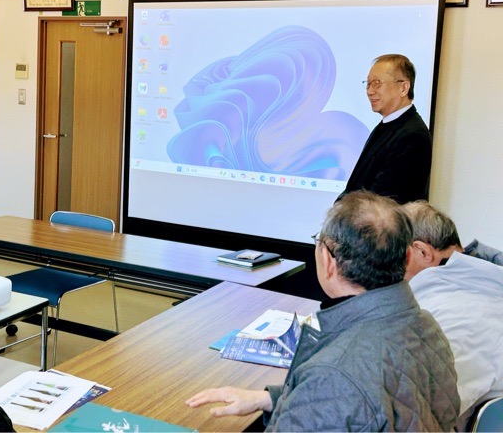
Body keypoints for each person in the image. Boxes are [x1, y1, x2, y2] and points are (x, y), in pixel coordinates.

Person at [186, 191, 460, 431]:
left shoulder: (332, 374)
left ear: (328, 261)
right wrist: (270, 399)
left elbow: (341, 393)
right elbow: (372, 404)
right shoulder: (426, 325)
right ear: (408, 257)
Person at [402, 200, 503, 423]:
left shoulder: (442, 318)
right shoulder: (490, 287)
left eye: (394, 253)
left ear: (422, 251)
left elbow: (416, 416)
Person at [338, 54, 432, 204]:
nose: (370, 91)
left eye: (377, 83)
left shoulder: (413, 135)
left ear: (403, 88)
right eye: (368, 84)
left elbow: (386, 201)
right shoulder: (386, 125)